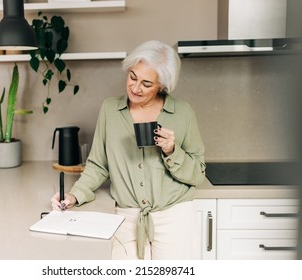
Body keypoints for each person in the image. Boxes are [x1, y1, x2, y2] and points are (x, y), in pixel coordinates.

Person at [51, 40, 206, 260]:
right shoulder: (110, 110)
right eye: (132, 77)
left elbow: (198, 174)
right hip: (125, 217)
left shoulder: (183, 113)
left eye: (146, 83)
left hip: (175, 216)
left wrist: (172, 151)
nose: (135, 88)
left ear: (161, 85)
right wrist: (75, 195)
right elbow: (98, 164)